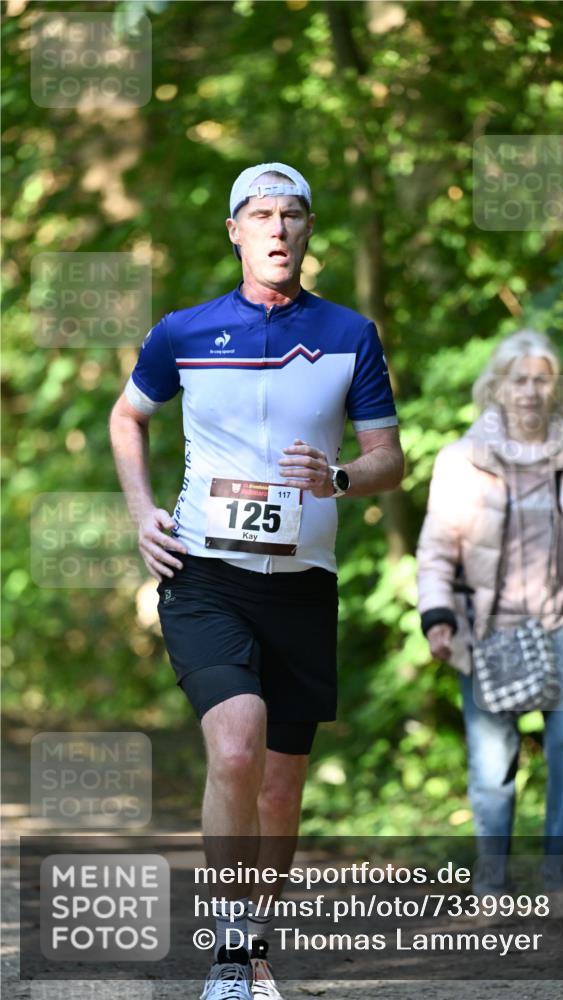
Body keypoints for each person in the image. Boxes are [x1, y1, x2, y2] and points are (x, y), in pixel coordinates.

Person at [109, 162, 403, 999]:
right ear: (235, 231)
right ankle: (229, 956)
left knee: (279, 790)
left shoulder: (351, 333)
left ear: (309, 231)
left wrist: (339, 478)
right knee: (235, 743)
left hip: (303, 582)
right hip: (206, 575)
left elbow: (390, 459)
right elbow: (127, 415)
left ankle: (257, 946)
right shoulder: (184, 332)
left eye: (293, 215)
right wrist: (140, 514)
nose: (277, 229)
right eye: (261, 215)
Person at [416, 329, 563, 912]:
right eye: (520, 379)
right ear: (498, 386)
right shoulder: (461, 460)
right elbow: (436, 550)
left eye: (543, 379)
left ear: (556, 388)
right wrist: (437, 617)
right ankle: (492, 884)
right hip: (489, 626)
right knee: (493, 764)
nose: (532, 392)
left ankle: (562, 881)